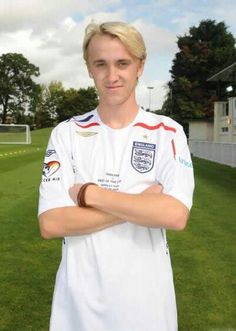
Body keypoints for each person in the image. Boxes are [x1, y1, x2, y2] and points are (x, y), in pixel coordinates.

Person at [38, 21, 194, 331]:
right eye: (101, 64)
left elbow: (175, 214)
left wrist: (90, 195)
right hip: (78, 308)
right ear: (89, 68)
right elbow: (52, 223)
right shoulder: (67, 133)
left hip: (148, 307)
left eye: (123, 63)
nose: (112, 76)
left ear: (140, 65)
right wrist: (140, 204)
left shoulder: (168, 133)